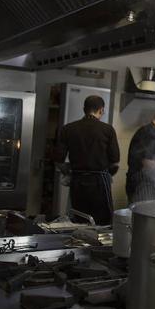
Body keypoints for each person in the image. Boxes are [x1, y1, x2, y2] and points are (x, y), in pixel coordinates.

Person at [54, 95, 120, 225]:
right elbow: (115, 161)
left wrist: (68, 171)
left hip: (77, 180)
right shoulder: (107, 130)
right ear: (101, 110)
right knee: (102, 221)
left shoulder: (68, 129)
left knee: (78, 218)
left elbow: (58, 160)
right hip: (100, 181)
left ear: (84, 109)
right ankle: (99, 245)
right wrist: (107, 172)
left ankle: (78, 243)